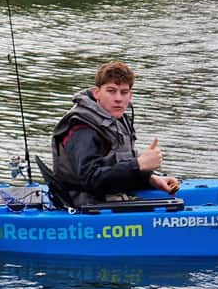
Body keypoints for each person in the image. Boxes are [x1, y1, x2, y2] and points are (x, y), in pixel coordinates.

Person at [50, 61, 180, 207]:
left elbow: (116, 168)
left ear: (130, 96)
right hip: (84, 207)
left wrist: (150, 178)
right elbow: (91, 180)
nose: (118, 98)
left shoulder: (118, 118)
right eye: (111, 91)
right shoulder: (82, 128)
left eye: (124, 92)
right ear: (97, 93)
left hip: (111, 199)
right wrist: (139, 164)